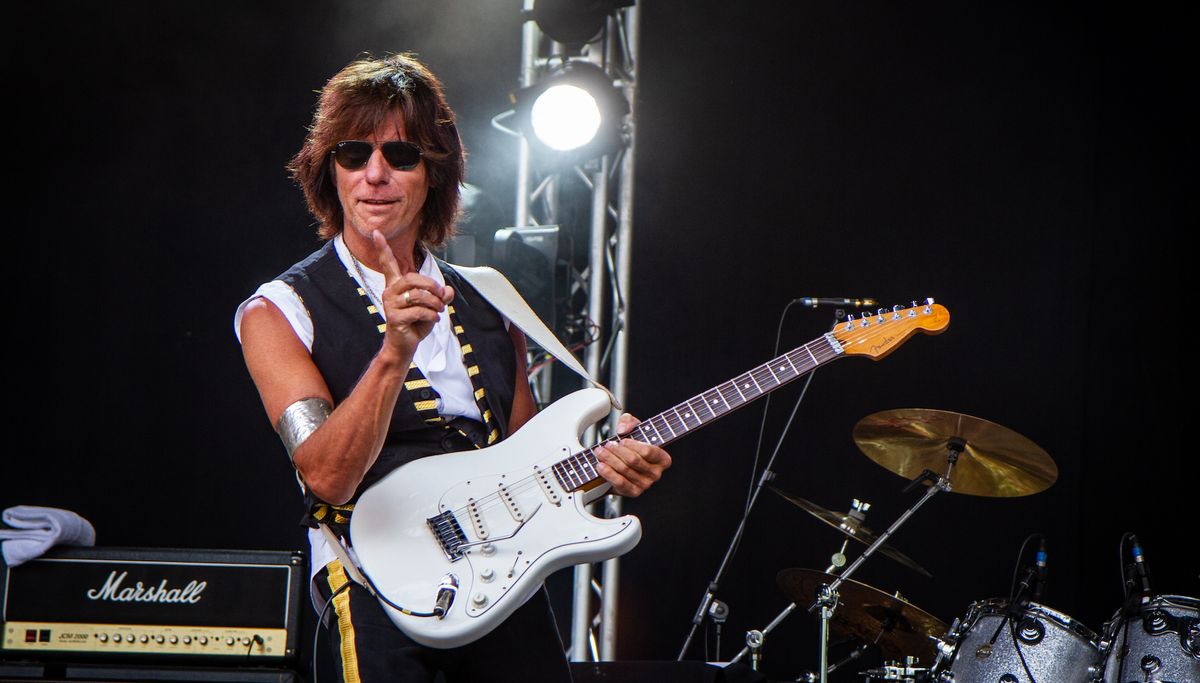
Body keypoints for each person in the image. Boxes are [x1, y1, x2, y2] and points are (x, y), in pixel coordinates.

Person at [234, 53, 671, 682]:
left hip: (500, 576)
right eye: (353, 155)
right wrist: (393, 354)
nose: (374, 175)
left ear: (434, 174)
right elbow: (325, 477)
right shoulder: (278, 310)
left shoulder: (494, 299)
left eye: (401, 155)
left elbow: (531, 467)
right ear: (328, 171)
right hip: (376, 580)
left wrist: (606, 472)